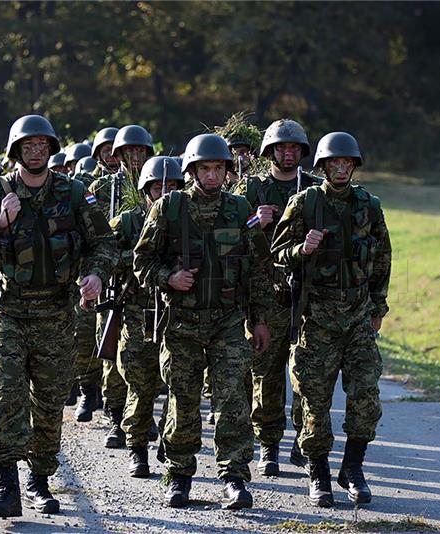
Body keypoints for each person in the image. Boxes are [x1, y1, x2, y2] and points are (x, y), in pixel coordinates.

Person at [0, 114, 116, 517]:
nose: (36, 152)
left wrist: (95, 275)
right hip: (10, 312)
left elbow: (104, 243)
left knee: (49, 404)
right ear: (17, 150)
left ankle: (40, 480)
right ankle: (6, 484)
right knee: (8, 393)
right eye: (28, 146)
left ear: (51, 150)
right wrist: (0, 221)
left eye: (42, 146)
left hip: (56, 314)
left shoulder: (73, 192)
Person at [133, 133, 272, 509]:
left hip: (228, 321)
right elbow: (141, 261)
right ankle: (179, 475)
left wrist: (260, 320)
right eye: (204, 168)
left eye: (218, 168)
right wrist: (169, 278)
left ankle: (235, 477)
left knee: (232, 400)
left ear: (228, 171)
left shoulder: (240, 209)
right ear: (191, 170)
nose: (212, 176)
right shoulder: (169, 208)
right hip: (181, 324)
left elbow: (258, 269)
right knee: (183, 401)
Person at [271, 131, 392, 507]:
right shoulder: (304, 203)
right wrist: (300, 249)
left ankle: (353, 468)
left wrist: (378, 308)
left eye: (347, 163)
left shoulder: (369, 205)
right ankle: (318, 472)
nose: (340, 169)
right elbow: (276, 257)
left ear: (354, 167)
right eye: (333, 163)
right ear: (322, 167)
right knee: (313, 400)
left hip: (357, 315)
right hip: (317, 317)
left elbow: (383, 258)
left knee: (366, 396)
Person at [233, 118, 320, 476]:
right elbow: (229, 234)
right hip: (265, 292)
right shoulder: (252, 188)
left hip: (307, 293)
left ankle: (304, 439)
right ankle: (268, 444)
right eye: (282, 148)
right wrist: (257, 221)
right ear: (269, 152)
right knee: (266, 374)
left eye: (295, 148)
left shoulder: (313, 188)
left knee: (306, 373)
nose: (288, 154)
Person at [109, 156, 184, 478]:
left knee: (179, 387)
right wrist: (139, 254)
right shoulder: (127, 222)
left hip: (178, 316)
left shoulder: (189, 219)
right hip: (138, 317)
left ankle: (170, 443)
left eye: (171, 187)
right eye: (158, 187)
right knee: (141, 388)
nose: (164, 192)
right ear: (146, 190)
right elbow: (105, 257)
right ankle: (137, 448)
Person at [90, 124, 155, 448]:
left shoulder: (159, 186)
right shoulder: (102, 188)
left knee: (146, 357)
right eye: (128, 152)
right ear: (116, 155)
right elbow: (98, 240)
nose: (134, 157)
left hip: (150, 288)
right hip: (115, 284)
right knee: (113, 352)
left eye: (140, 151)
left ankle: (142, 415)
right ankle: (116, 416)